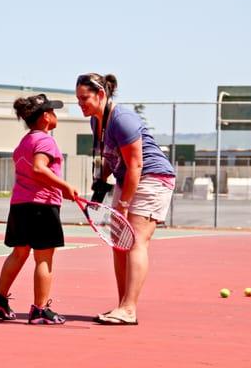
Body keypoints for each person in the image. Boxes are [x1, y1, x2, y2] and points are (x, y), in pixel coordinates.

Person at [76, 73, 175, 325]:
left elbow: (136, 164)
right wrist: (101, 180)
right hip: (126, 178)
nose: (80, 104)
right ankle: (122, 306)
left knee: (136, 241)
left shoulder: (122, 120)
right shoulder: (97, 122)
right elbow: (111, 157)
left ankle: (129, 309)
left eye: (84, 98)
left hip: (152, 177)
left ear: (101, 95)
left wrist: (122, 204)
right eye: (77, 99)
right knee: (119, 243)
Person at [0, 94, 78, 325]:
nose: (56, 116)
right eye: (53, 112)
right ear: (46, 117)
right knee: (44, 259)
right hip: (42, 206)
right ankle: (40, 309)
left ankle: (0, 299)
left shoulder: (24, 142)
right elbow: (39, 168)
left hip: (20, 205)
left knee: (19, 253)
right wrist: (64, 186)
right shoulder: (46, 141)